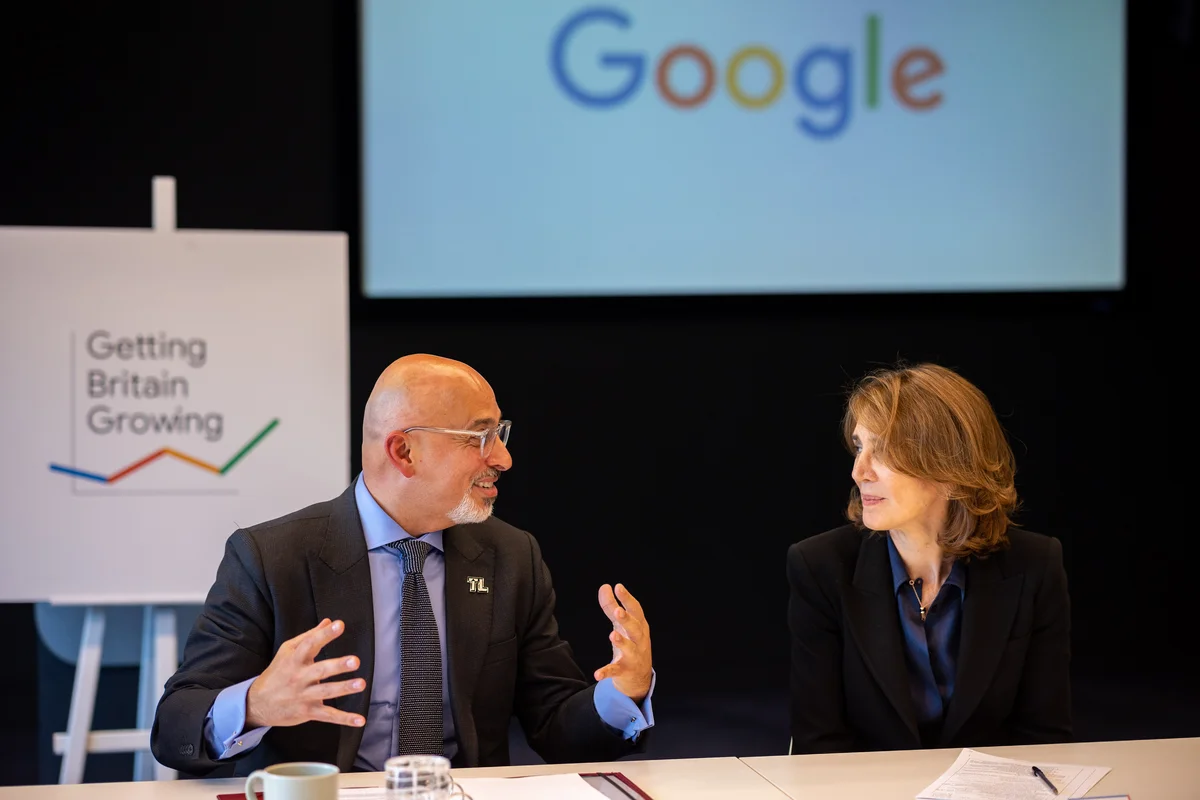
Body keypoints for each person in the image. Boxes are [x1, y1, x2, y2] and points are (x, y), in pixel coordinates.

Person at [151, 354, 655, 776]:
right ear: (405, 451)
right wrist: (255, 703)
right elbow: (175, 725)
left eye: (500, 433)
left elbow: (556, 727)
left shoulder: (511, 557)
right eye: (479, 437)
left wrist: (620, 693)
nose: (503, 458)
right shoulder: (270, 557)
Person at [787, 362, 1071, 754]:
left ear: (950, 466)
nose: (858, 470)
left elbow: (1045, 740)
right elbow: (819, 746)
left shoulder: (1035, 564)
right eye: (858, 446)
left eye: (882, 450)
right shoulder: (819, 566)